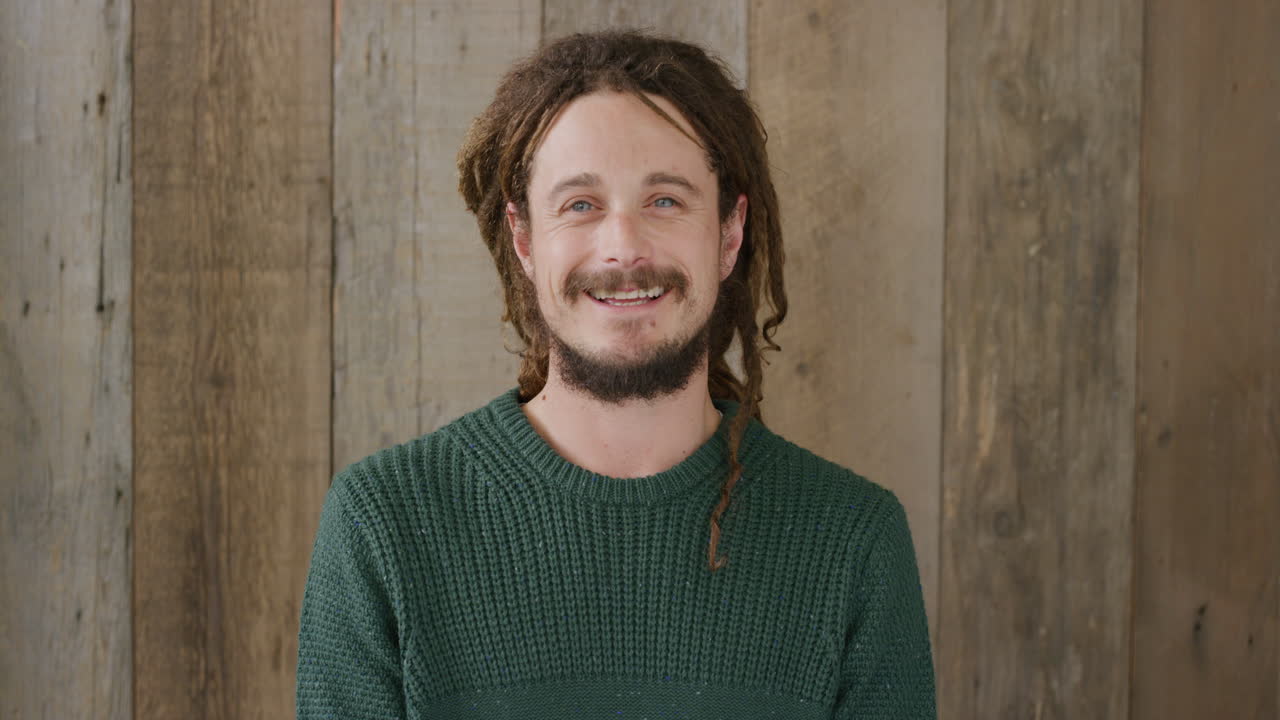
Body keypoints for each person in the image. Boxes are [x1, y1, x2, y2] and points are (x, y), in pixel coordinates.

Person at [296, 29, 936, 719]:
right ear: (523, 240)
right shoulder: (385, 525)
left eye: (665, 200)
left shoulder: (853, 539)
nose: (623, 245)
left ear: (728, 234)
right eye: (581, 205)